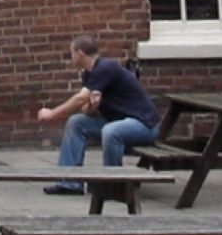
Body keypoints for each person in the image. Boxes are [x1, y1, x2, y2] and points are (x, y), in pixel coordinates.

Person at [35, 35, 161, 194]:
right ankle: (69, 183)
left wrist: (52, 113)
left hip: (143, 125)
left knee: (111, 131)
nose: (71, 57)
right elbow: (86, 108)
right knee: (77, 122)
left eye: (72, 53)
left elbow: (80, 98)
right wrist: (92, 106)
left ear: (80, 53)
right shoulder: (89, 74)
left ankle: (114, 184)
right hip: (117, 120)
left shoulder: (106, 67)